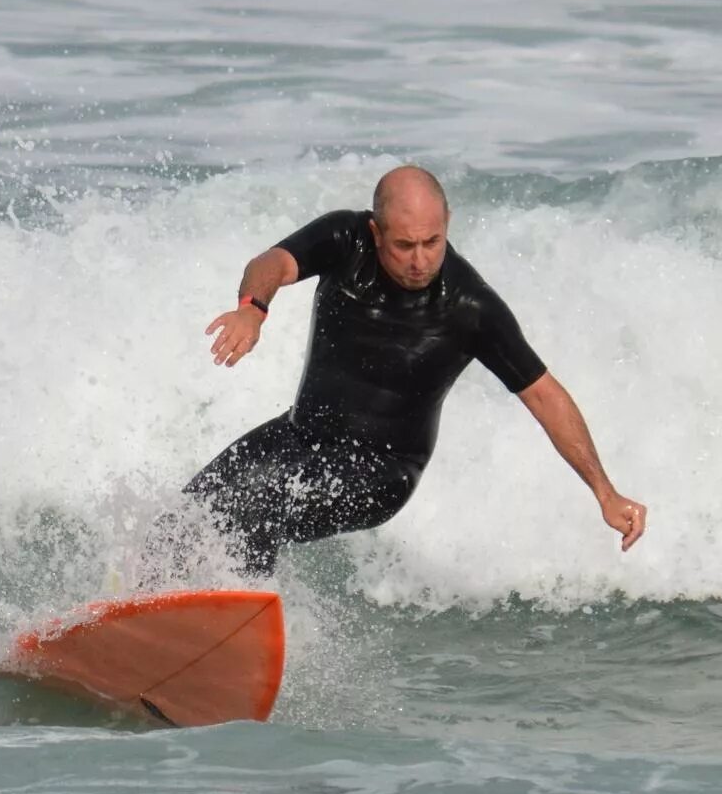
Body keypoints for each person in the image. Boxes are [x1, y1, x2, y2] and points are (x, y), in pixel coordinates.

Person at [185, 164, 646, 574]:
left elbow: (546, 397)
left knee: (255, 508)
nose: (420, 260)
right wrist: (252, 309)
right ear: (376, 231)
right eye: (404, 245)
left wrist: (605, 492)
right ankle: (136, 603)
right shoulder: (346, 240)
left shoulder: (472, 308)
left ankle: (237, 619)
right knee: (190, 513)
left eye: (432, 242)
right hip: (300, 434)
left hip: (383, 471)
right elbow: (272, 263)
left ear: (447, 225)